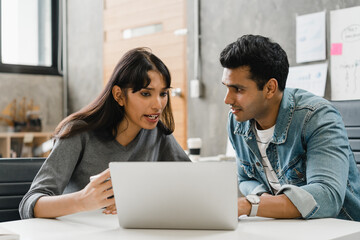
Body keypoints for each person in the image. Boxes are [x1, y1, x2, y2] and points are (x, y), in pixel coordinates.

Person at [19, 48, 190, 219]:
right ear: (119, 95)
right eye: (145, 94)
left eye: (163, 94)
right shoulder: (78, 132)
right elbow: (30, 205)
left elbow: (192, 185)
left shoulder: (157, 133)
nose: (158, 105)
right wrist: (82, 200)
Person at [220, 34, 360, 221]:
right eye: (226, 87)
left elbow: (327, 196)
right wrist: (267, 202)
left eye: (238, 90)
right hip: (286, 226)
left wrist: (250, 205)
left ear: (270, 88)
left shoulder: (317, 117)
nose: (227, 100)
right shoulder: (238, 119)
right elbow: (246, 178)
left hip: (339, 229)